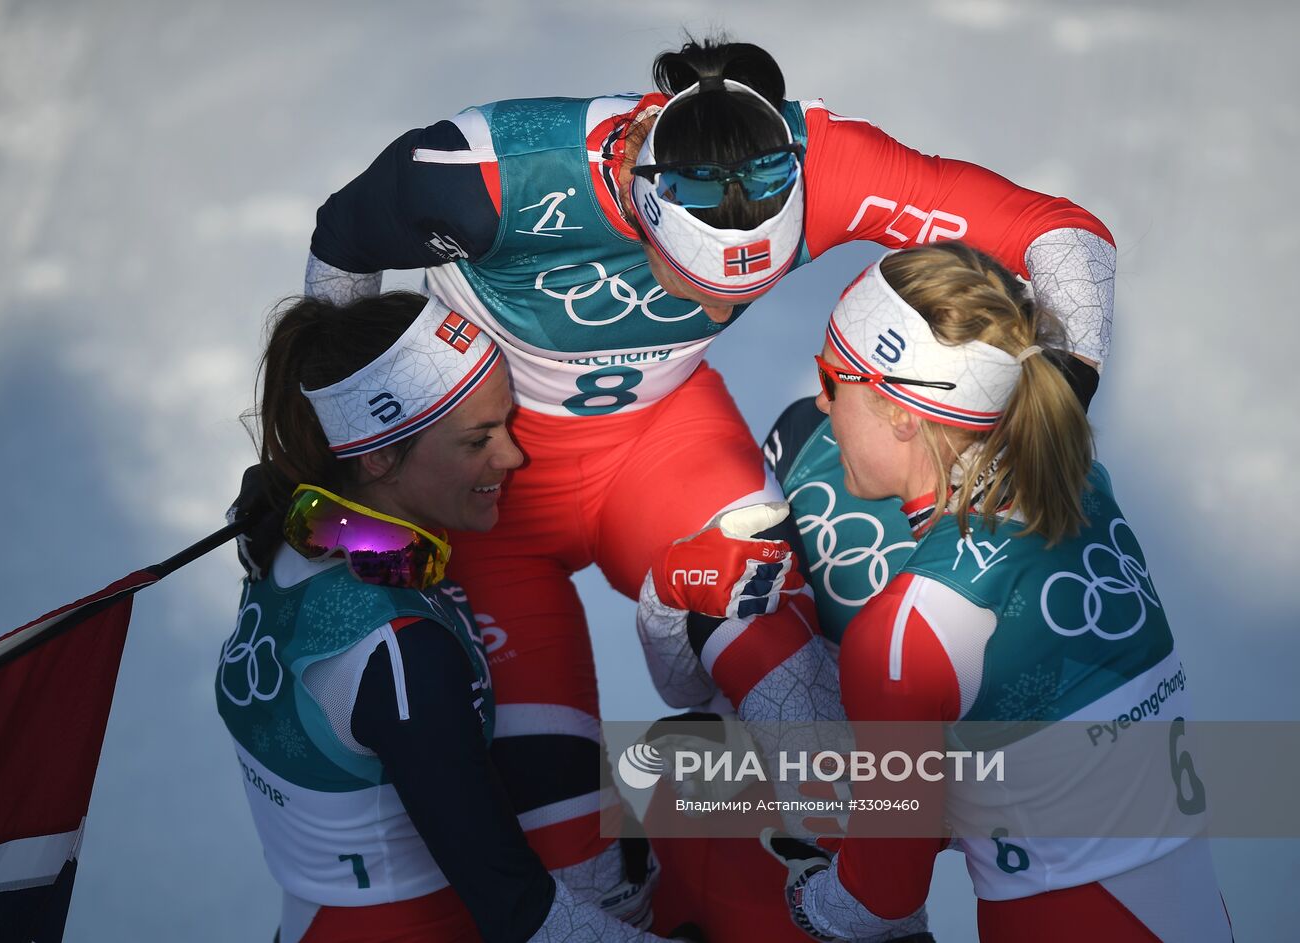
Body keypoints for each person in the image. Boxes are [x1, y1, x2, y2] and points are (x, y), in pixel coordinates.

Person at [272, 33, 1116, 938]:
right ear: (642, 207)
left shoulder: (823, 159)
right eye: (692, 279)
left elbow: (1066, 234)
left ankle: (790, 884)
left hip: (661, 449)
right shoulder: (497, 170)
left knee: (810, 731)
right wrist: (340, 450)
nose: (718, 305)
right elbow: (342, 241)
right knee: (571, 858)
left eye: (745, 284)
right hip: (488, 484)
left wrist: (1062, 393)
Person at [758, 244, 1230, 941]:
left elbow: (879, 901)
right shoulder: (1084, 487)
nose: (820, 404)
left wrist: (806, 893)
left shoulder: (904, 636)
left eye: (832, 379)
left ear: (902, 411)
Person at [215, 291, 683, 942]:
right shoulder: (399, 651)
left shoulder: (298, 524)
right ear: (375, 456)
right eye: (477, 440)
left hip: (313, 916)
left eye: (507, 423)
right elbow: (519, 911)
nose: (513, 458)